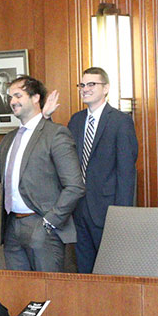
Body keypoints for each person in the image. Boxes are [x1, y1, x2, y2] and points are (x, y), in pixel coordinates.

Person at [0, 75, 84, 272]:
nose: (12, 101)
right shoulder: (9, 139)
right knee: (20, 293)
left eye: (18, 95)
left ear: (35, 98)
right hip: (11, 228)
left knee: (47, 294)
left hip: (43, 226)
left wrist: (49, 222)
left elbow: (75, 186)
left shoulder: (55, 134)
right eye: (10, 97)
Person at [52, 67, 137, 274]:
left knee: (111, 268)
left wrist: (122, 214)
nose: (85, 89)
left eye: (91, 84)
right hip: (78, 207)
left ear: (105, 88)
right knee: (83, 268)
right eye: (82, 85)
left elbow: (126, 172)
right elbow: (62, 154)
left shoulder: (120, 121)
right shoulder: (76, 120)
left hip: (107, 208)